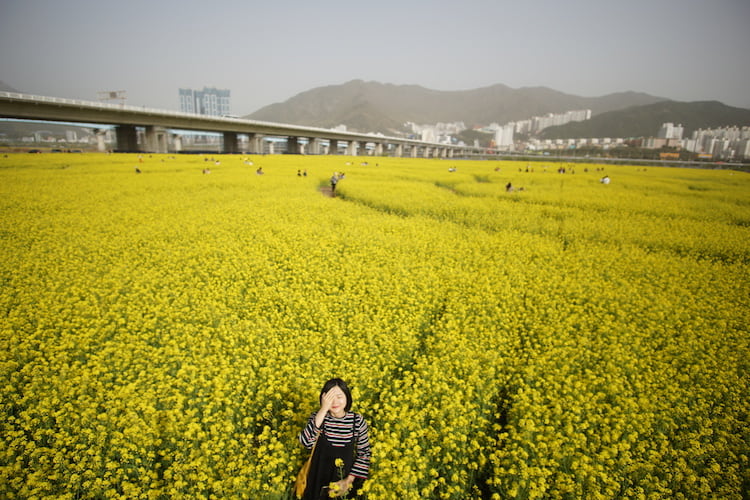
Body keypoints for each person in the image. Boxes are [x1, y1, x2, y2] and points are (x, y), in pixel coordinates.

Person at [298, 378, 371, 499]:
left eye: (339, 396)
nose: (335, 402)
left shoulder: (357, 421)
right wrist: (323, 409)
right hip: (317, 481)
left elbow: (364, 453)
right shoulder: (319, 418)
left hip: (344, 483)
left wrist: (348, 481)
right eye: (330, 398)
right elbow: (306, 443)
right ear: (323, 399)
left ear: (347, 397)